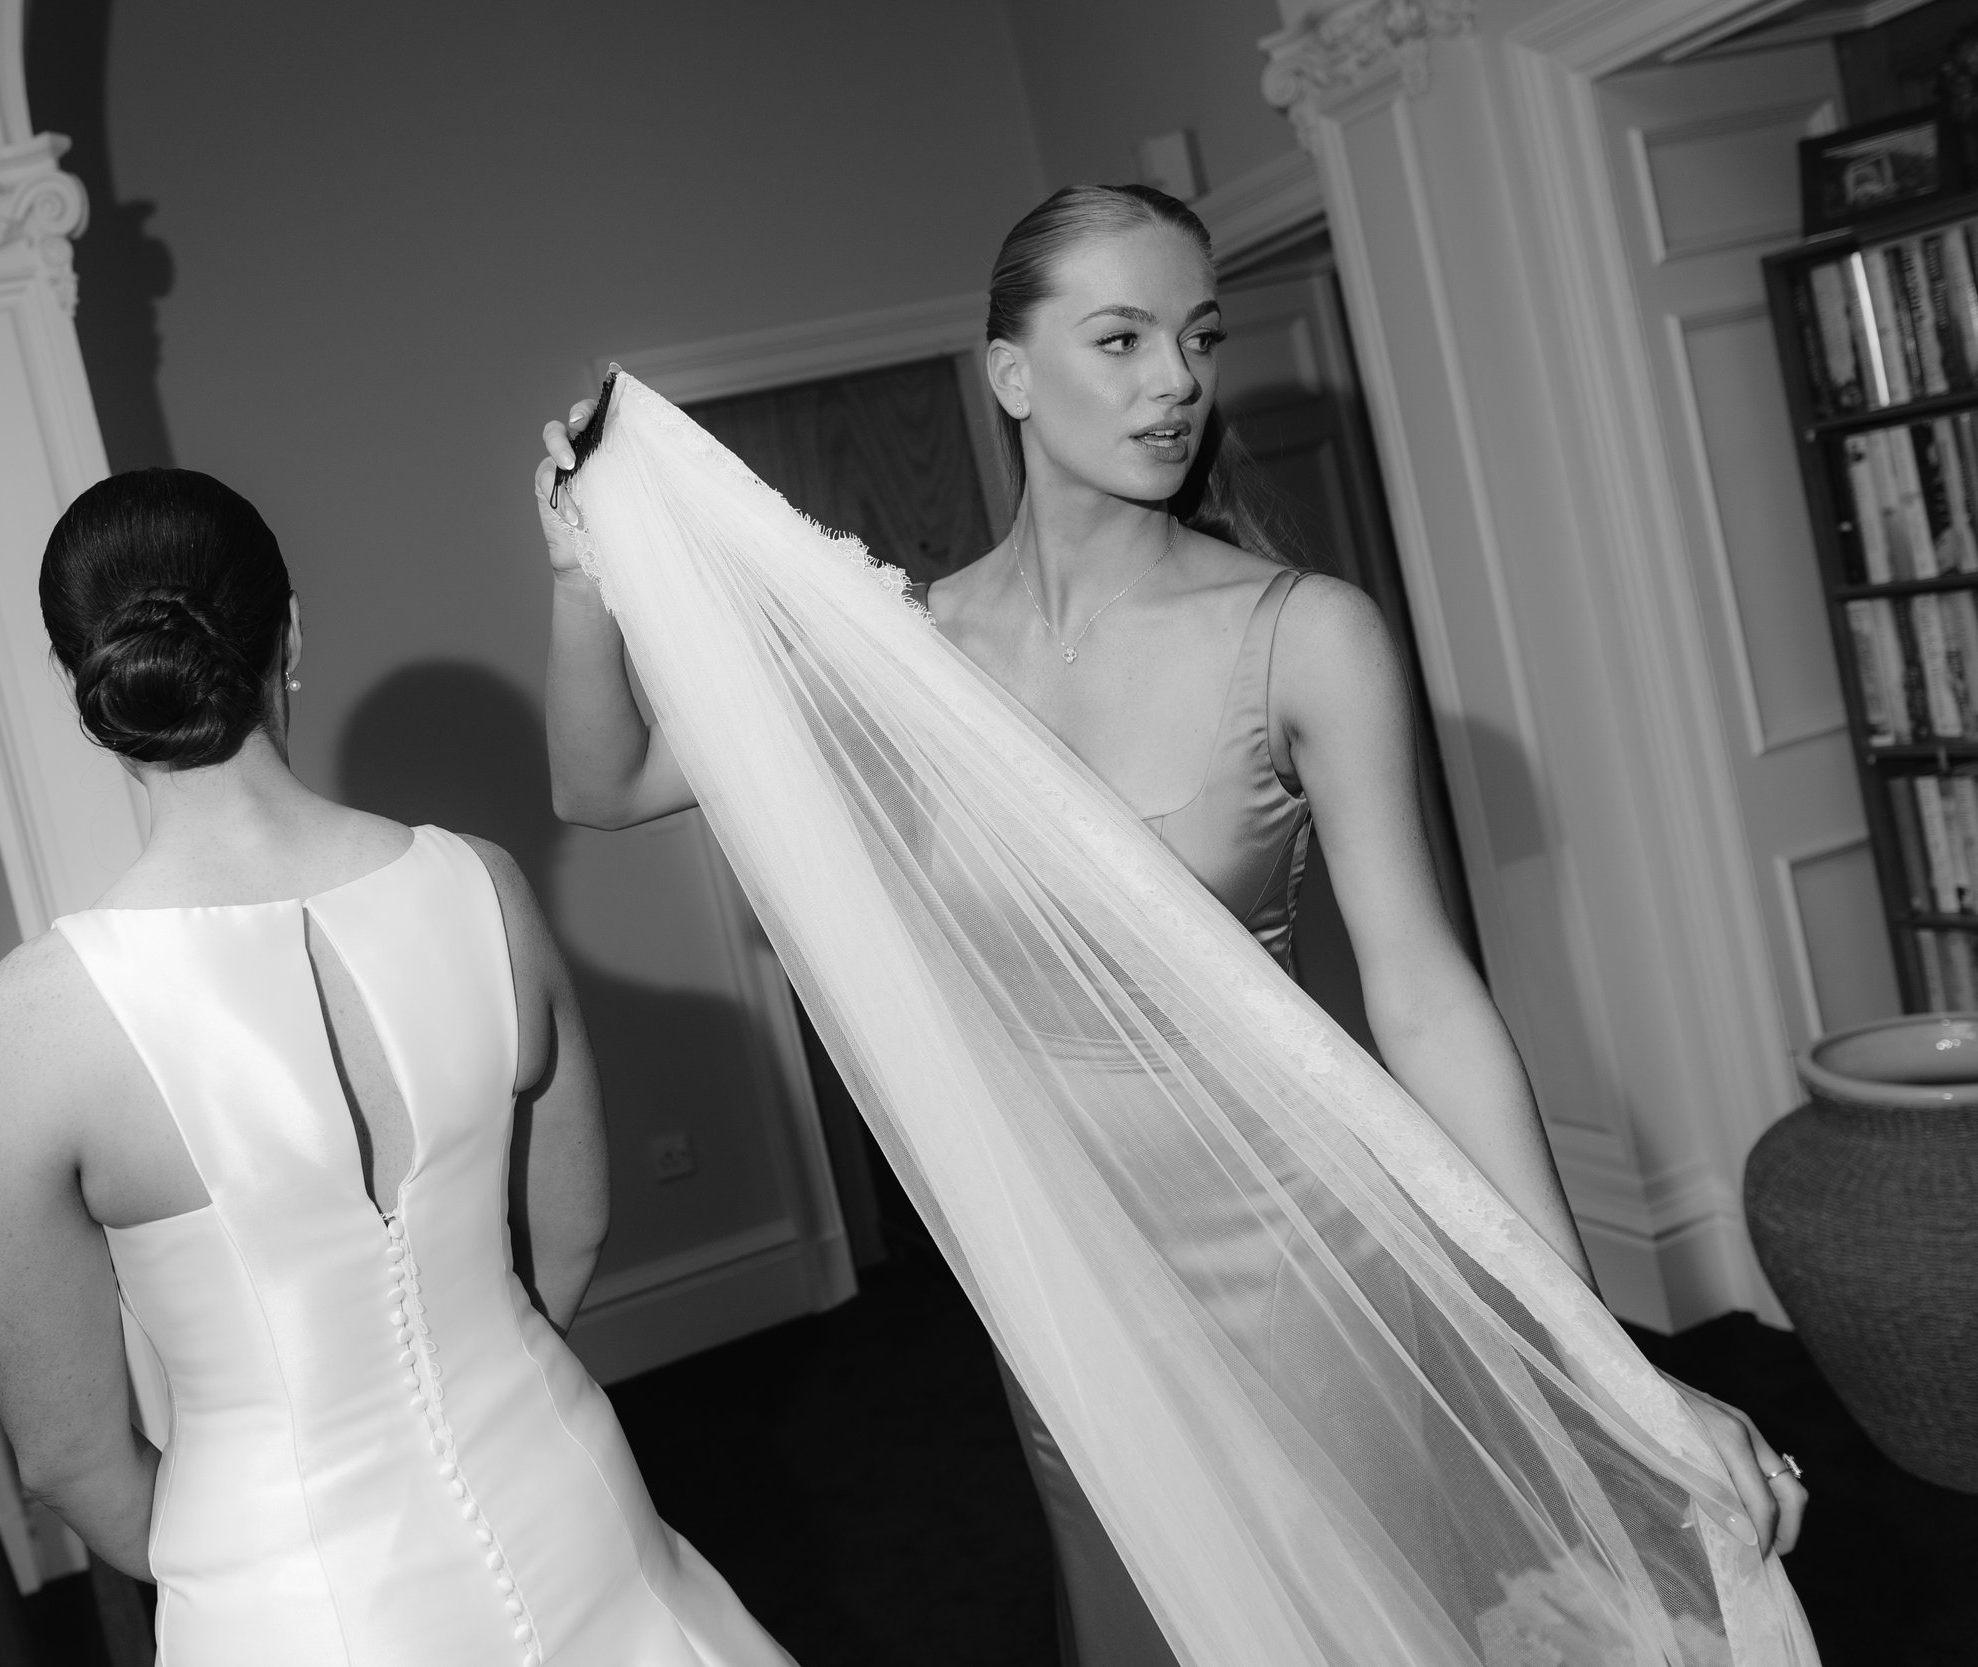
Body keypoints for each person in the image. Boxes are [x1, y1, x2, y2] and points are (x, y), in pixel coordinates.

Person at [532, 186, 1806, 1666]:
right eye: (1121, 337)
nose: (1177, 380)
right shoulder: (912, 649)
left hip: (1297, 1262)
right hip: (1063, 1275)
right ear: (1012, 373)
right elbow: (605, 781)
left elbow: (1425, 999)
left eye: (1199, 337)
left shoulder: (1304, 631)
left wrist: (1598, 1357)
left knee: (1331, 1617)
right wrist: (581, 569)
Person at [0, 468, 794, 1666]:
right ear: (289, 634)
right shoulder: (481, 887)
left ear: (77, 678)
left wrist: (243, 1557)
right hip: (566, 1503)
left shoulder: (31, 1024)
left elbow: (67, 1454)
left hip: (285, 1603)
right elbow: (567, 1232)